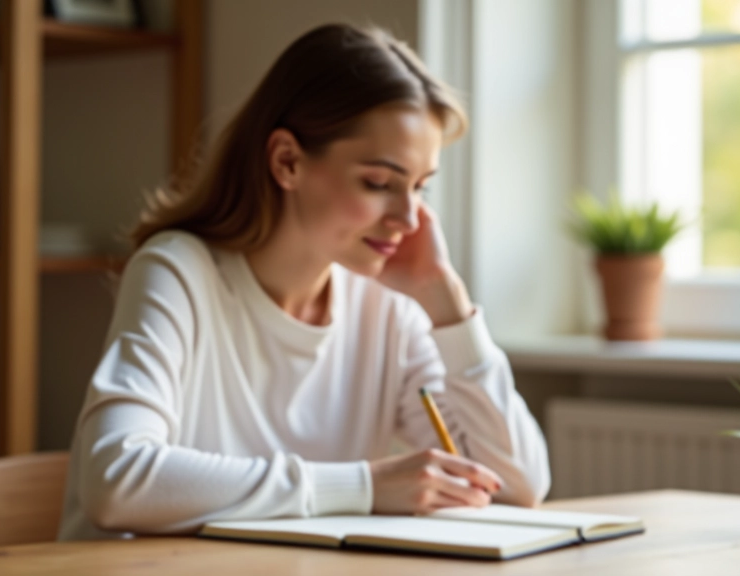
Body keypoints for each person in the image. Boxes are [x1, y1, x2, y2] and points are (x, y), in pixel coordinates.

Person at [57, 22, 550, 541]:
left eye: (421, 188)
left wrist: (449, 308)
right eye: (380, 183)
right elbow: (115, 482)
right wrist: (362, 487)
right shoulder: (178, 271)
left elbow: (518, 486)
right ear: (287, 161)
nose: (409, 218)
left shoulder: (388, 308)